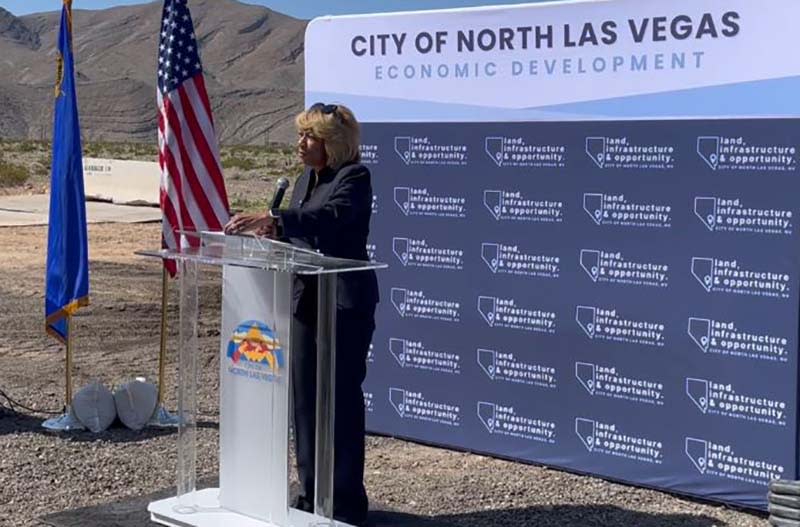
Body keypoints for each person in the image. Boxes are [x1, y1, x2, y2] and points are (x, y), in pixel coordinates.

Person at [224, 103, 378, 527]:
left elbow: (329, 219)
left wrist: (276, 218)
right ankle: (311, 494)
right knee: (305, 400)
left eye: (309, 136)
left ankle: (344, 501)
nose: (300, 143)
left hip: (343, 304)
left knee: (339, 400)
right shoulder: (304, 180)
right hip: (307, 301)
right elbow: (299, 231)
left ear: (332, 144)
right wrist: (271, 231)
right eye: (301, 135)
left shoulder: (355, 177)